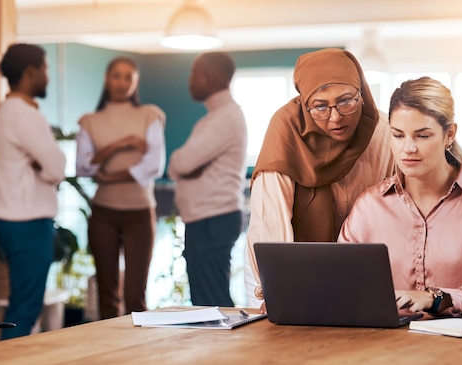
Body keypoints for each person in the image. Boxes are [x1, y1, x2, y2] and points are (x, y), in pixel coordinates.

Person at [338, 76, 462, 316]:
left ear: (449, 134)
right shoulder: (369, 207)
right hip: (385, 344)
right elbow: (341, 285)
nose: (408, 148)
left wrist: (434, 298)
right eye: (398, 135)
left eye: (422, 136)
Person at [244, 48, 395, 308]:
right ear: (304, 103)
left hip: (359, 263)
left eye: (346, 101)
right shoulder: (286, 130)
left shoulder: (384, 130)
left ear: (362, 93)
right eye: (320, 106)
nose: (335, 117)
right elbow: (271, 222)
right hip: (279, 263)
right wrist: (278, 287)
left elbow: (396, 207)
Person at [76, 57, 166, 319]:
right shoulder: (90, 121)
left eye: (129, 77)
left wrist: (109, 175)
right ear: (107, 78)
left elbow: (153, 166)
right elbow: (83, 167)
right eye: (117, 75)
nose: (122, 82)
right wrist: (122, 144)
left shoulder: (150, 115)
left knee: (135, 297)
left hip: (140, 213)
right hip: (103, 213)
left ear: (136, 82)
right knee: (107, 295)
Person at [0, 43, 66, 339]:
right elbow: (57, 167)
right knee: (25, 308)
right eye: (45, 69)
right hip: (27, 221)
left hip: (12, 218)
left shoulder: (8, 109)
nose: (47, 75)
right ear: (30, 72)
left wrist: (40, 166)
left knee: (22, 303)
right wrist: (45, 168)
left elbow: (46, 165)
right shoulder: (24, 114)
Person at [168, 52, 247, 307]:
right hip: (208, 219)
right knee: (206, 300)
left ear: (210, 78)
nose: (189, 80)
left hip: (213, 219)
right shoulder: (215, 117)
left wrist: (184, 166)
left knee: (212, 303)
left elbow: (181, 163)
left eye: (194, 74)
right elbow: (180, 167)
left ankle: (226, 348)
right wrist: (184, 167)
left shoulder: (224, 118)